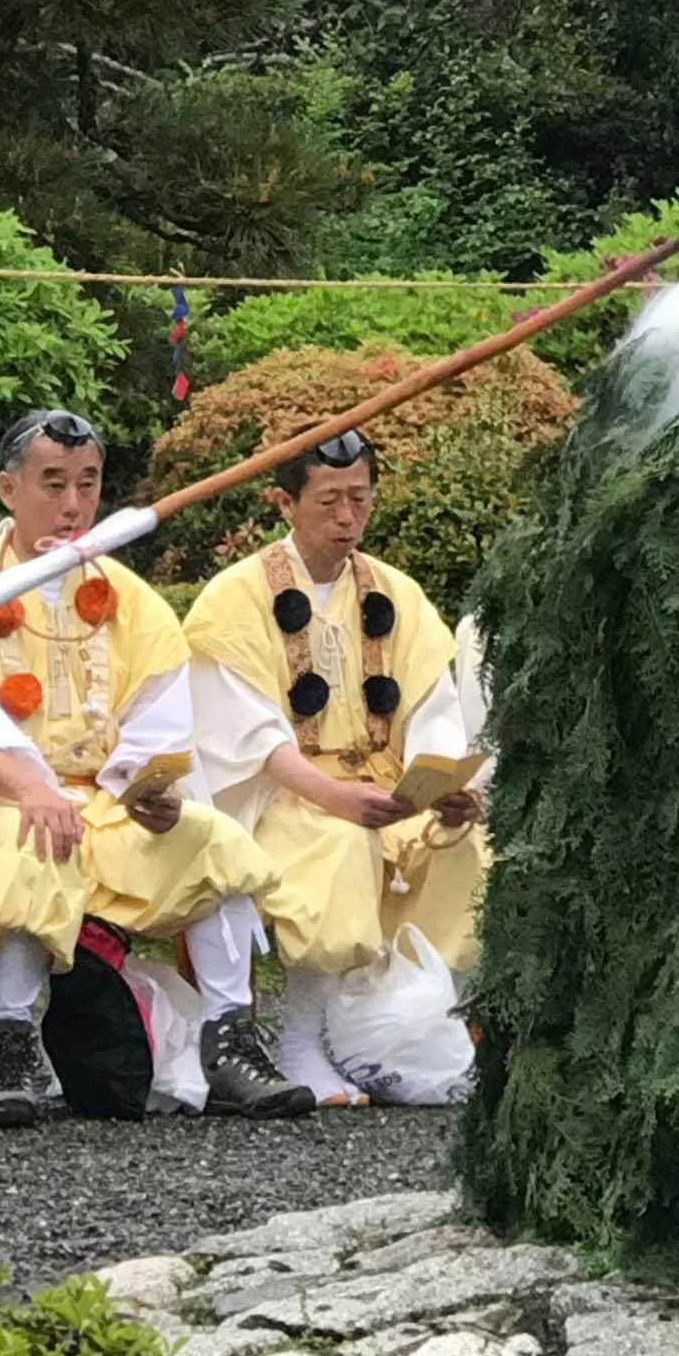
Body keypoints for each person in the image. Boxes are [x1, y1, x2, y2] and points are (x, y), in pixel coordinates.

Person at [0, 410, 307, 1126]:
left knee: (216, 844)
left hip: (107, 801)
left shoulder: (132, 599)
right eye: (52, 484)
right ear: (7, 490)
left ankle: (231, 1038)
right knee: (33, 836)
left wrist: (155, 790)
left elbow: (158, 717)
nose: (72, 505)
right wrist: (29, 785)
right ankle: (13, 1044)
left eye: (87, 485)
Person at [182, 431, 488, 1104]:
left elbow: (431, 703)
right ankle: (301, 1040)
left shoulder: (395, 592)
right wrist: (332, 794)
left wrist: (443, 785)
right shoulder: (235, 596)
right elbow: (247, 732)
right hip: (285, 788)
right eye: (329, 501)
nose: (347, 517)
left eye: (360, 499)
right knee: (338, 841)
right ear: (286, 502)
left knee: (461, 842)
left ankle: (412, 1026)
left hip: (386, 787)